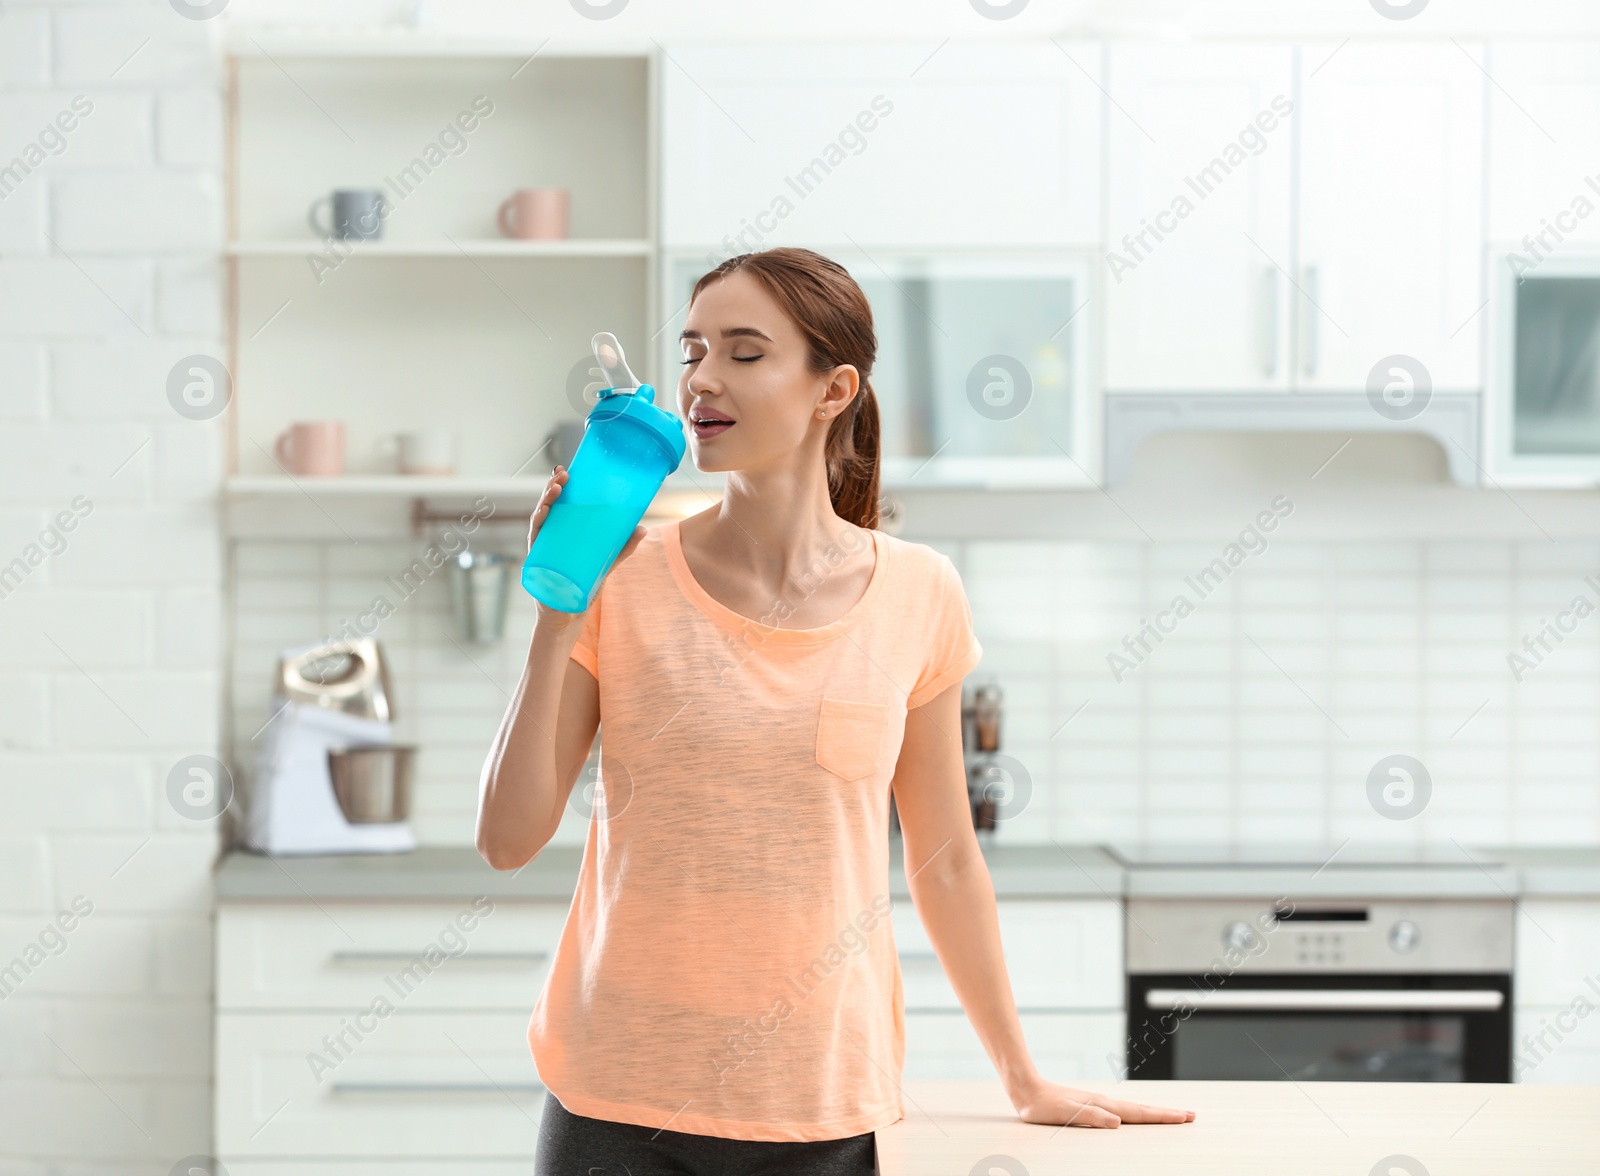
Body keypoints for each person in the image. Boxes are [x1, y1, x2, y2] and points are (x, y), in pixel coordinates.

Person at [476, 247, 1195, 1175]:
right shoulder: (625, 577)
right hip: (616, 1102)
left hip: (818, 1106)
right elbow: (507, 838)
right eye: (693, 350)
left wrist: (1021, 1076)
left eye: (744, 352)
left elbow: (943, 860)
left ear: (832, 388)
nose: (701, 379)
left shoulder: (919, 593)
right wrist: (558, 610)